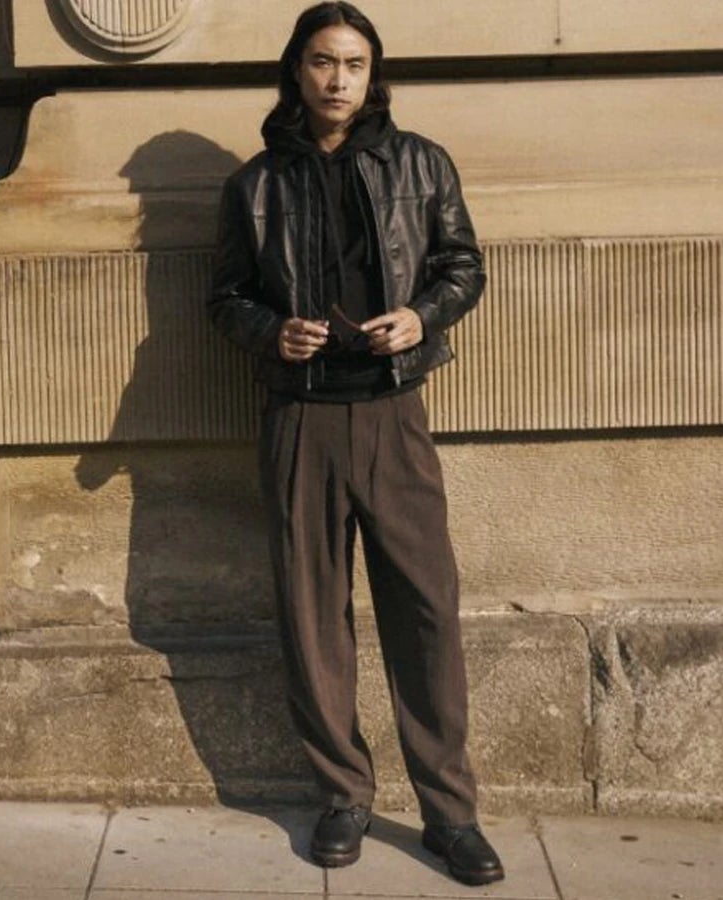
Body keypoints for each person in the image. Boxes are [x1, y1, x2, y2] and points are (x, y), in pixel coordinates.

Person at [205, 2, 500, 886]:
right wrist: (271, 333)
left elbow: (463, 265)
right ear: (296, 70)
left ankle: (450, 813)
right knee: (311, 613)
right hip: (299, 417)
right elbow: (225, 297)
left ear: (375, 75)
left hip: (392, 412)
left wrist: (422, 316)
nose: (339, 79)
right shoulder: (254, 185)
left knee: (426, 610)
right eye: (323, 62)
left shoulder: (421, 163)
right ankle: (342, 795)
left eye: (355, 64)